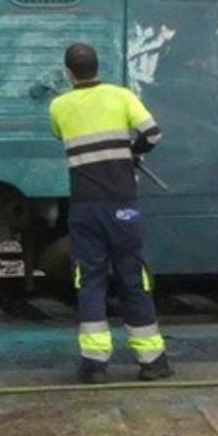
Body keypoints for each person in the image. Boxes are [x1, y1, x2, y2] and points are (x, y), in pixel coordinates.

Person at [48, 42, 172, 383]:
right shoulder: (121, 96)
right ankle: (152, 361)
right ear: (97, 67)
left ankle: (94, 364)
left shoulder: (59, 106)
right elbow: (153, 133)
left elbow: (61, 134)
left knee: (89, 280)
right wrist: (133, 152)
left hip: (85, 208)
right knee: (133, 278)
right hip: (122, 206)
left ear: (69, 72)